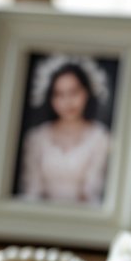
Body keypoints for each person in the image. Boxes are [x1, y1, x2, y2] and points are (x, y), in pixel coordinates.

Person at [17, 59, 111, 205]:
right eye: (59, 94)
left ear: (86, 92)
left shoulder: (100, 137)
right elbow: (32, 190)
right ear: (51, 98)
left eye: (74, 92)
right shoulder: (36, 138)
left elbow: (93, 192)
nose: (67, 101)